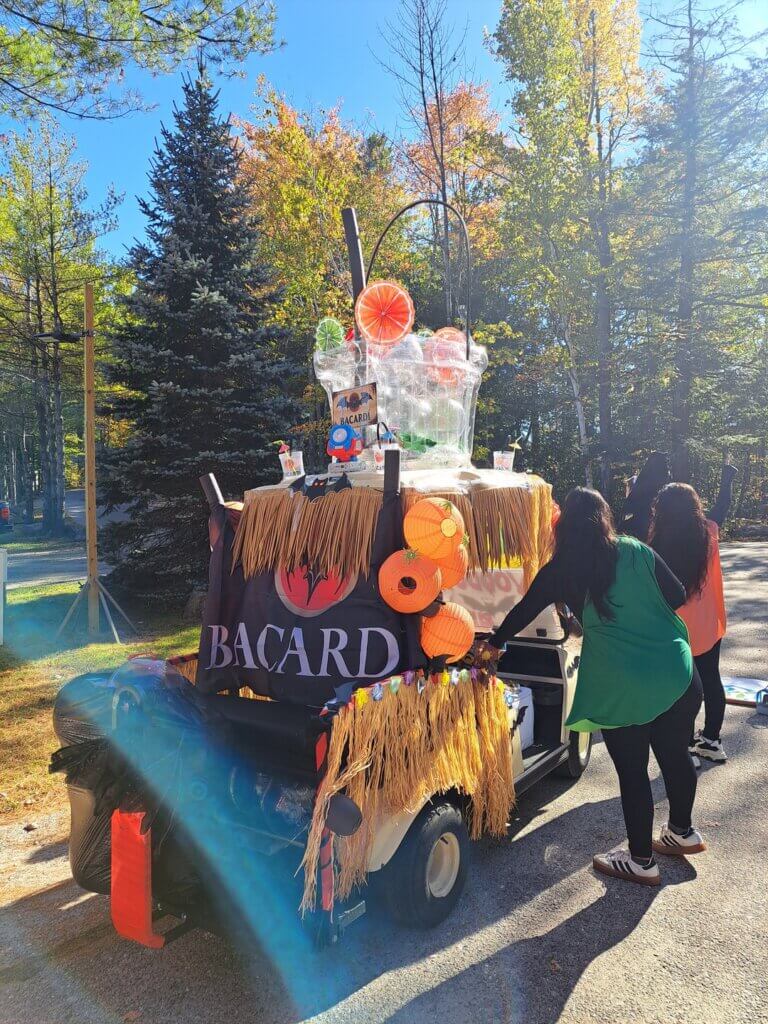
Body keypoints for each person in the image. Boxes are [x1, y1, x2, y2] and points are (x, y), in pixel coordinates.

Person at [485, 488, 704, 886]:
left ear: (562, 526)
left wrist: (494, 644)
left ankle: (641, 861)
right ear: (605, 518)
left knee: (634, 773)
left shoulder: (561, 569)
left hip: (623, 684)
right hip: (676, 671)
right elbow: (674, 596)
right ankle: (682, 832)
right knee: (676, 754)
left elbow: (523, 611)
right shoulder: (637, 550)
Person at [649, 474, 735, 763]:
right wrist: (727, 479)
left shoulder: (657, 542)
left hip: (673, 624)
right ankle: (711, 740)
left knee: (680, 686)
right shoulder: (708, 531)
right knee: (711, 680)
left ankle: (685, 744)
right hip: (708, 623)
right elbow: (722, 507)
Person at [618, 452, 671, 541]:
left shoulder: (643, 479)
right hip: (650, 523)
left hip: (642, 523)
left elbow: (629, 507)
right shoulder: (664, 480)